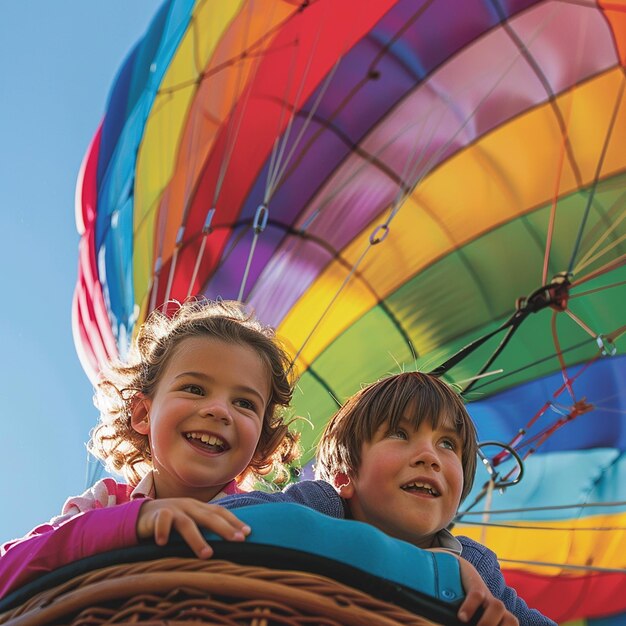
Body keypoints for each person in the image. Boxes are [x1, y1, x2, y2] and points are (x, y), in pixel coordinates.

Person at [0, 298, 299, 594]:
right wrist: (129, 522)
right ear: (143, 414)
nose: (219, 410)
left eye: (244, 403)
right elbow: (7, 568)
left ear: (260, 438)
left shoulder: (261, 517)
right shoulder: (105, 504)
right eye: (194, 389)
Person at [216, 372, 556, 626]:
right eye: (399, 434)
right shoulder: (322, 504)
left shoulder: (474, 565)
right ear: (344, 476)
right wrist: (420, 565)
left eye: (448, 444)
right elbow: (226, 517)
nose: (429, 456)